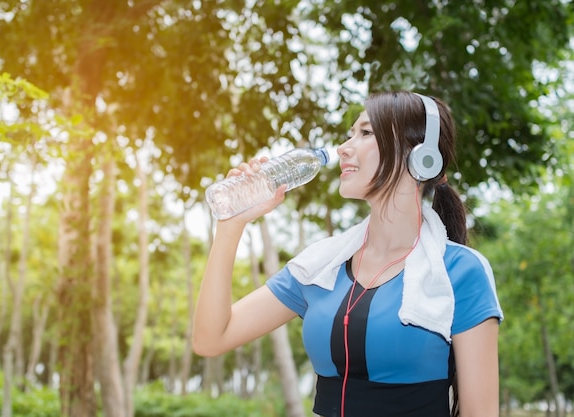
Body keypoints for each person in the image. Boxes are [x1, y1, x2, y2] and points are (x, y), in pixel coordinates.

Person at [193, 90, 503, 417]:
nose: (343, 147)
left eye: (365, 133)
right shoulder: (320, 267)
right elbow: (211, 339)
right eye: (349, 133)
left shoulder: (460, 271)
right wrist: (231, 226)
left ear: (420, 156)